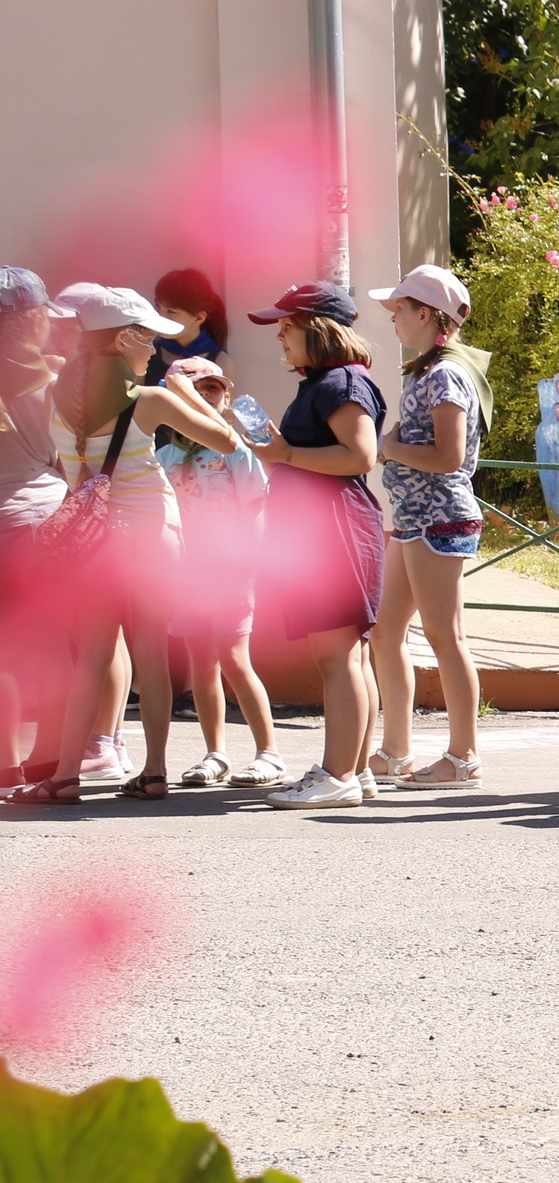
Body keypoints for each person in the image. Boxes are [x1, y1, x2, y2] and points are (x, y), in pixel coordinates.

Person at [8, 285, 241, 807]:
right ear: (124, 339)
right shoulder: (150, 399)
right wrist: (184, 393)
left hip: (93, 543)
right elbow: (226, 441)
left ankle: (65, 775)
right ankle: (154, 771)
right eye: (148, 338)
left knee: (92, 657)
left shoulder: (54, 396)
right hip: (152, 534)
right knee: (151, 655)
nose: (155, 350)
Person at [237, 282, 385, 810]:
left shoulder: (341, 382)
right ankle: (355, 771)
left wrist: (284, 455)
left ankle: (338, 775)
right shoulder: (329, 382)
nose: (279, 335)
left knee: (337, 658)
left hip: (334, 531)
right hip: (333, 529)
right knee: (349, 656)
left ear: (319, 329)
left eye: (287, 325)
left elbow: (360, 455)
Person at [367, 264, 491, 791]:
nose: (392, 317)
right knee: (385, 631)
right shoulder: (428, 371)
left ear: (426, 314)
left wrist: (387, 447)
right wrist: (390, 446)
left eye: (399, 308)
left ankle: (463, 757)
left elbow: (448, 456)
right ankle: (396, 751)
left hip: (439, 517)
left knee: (446, 636)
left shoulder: (444, 375)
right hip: (415, 519)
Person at [156, 360, 284, 789]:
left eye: (213, 389)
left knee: (234, 658)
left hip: (230, 573)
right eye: (196, 389)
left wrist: (248, 566)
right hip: (187, 577)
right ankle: (216, 753)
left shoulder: (237, 452)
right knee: (202, 664)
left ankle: (269, 753)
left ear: (226, 399)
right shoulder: (163, 457)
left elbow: (256, 511)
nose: (205, 396)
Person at [0, 268, 68, 792]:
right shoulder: (57, 375)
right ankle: (49, 763)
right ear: (34, 317)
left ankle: (4, 767)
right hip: (44, 515)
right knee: (52, 643)